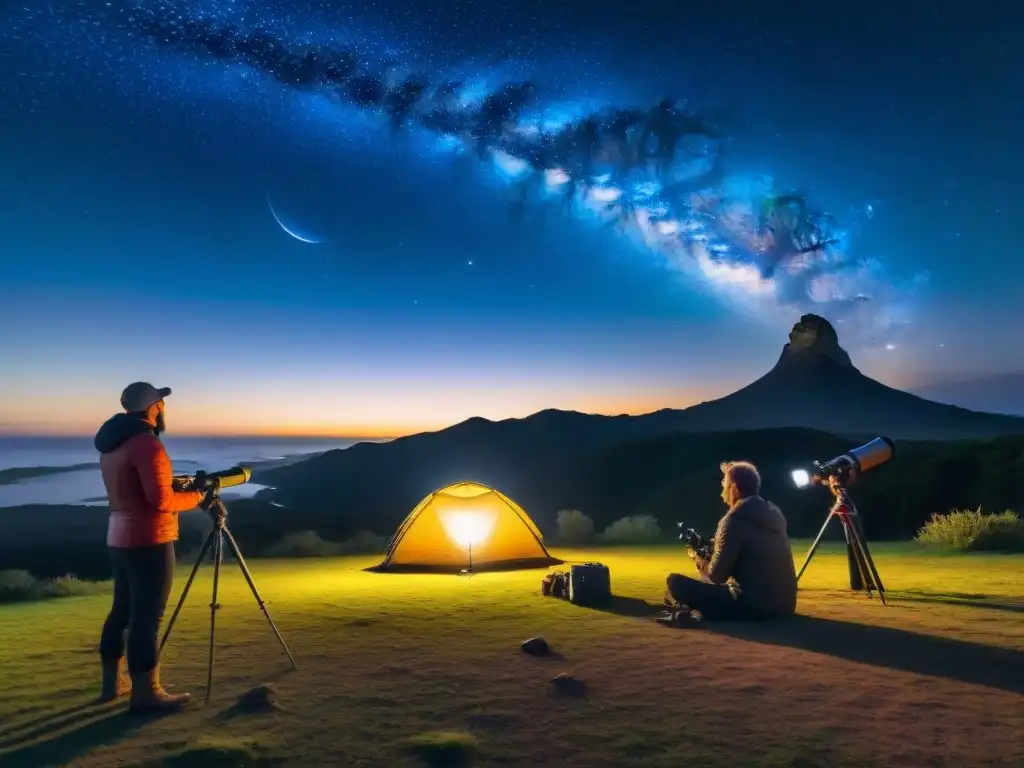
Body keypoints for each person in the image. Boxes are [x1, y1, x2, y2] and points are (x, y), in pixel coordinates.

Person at [94, 382, 205, 711]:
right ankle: (147, 693)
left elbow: (134, 488)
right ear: (154, 407)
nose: (164, 410)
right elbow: (161, 500)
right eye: (161, 404)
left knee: (122, 611)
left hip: (118, 536)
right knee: (147, 617)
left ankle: (112, 685)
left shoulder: (113, 444)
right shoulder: (147, 444)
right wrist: (197, 496)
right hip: (150, 539)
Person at [661, 461, 797, 625]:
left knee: (675, 582)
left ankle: (688, 610)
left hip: (753, 607)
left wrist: (698, 559)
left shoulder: (733, 520)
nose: (722, 494)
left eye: (724, 486)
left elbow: (716, 577)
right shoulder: (774, 514)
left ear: (734, 489)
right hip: (785, 606)